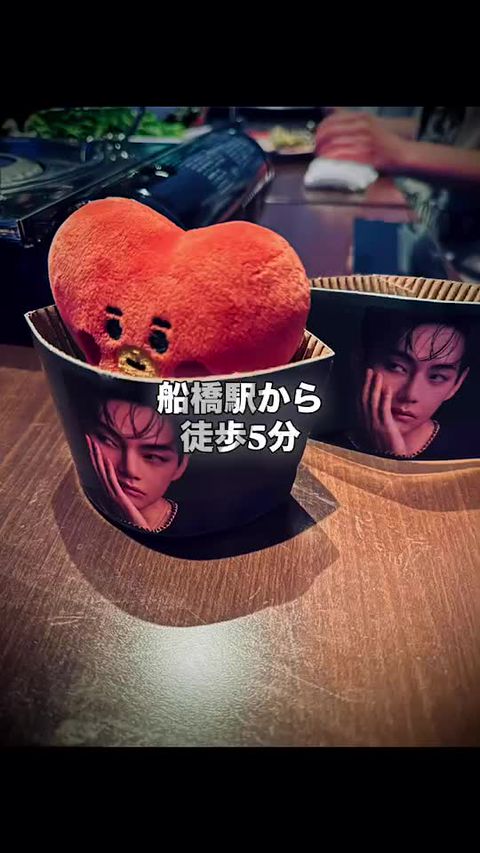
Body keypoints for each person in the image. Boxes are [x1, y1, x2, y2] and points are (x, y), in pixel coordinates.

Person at [329, 310, 478, 460]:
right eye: (396, 367)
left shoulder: (473, 453)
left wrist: (395, 460)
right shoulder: (323, 452)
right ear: (359, 362)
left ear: (457, 384)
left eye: (437, 377)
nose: (410, 395)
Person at [85, 398, 188, 532]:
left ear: (180, 466)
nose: (130, 469)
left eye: (152, 457)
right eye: (109, 441)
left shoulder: (198, 527)